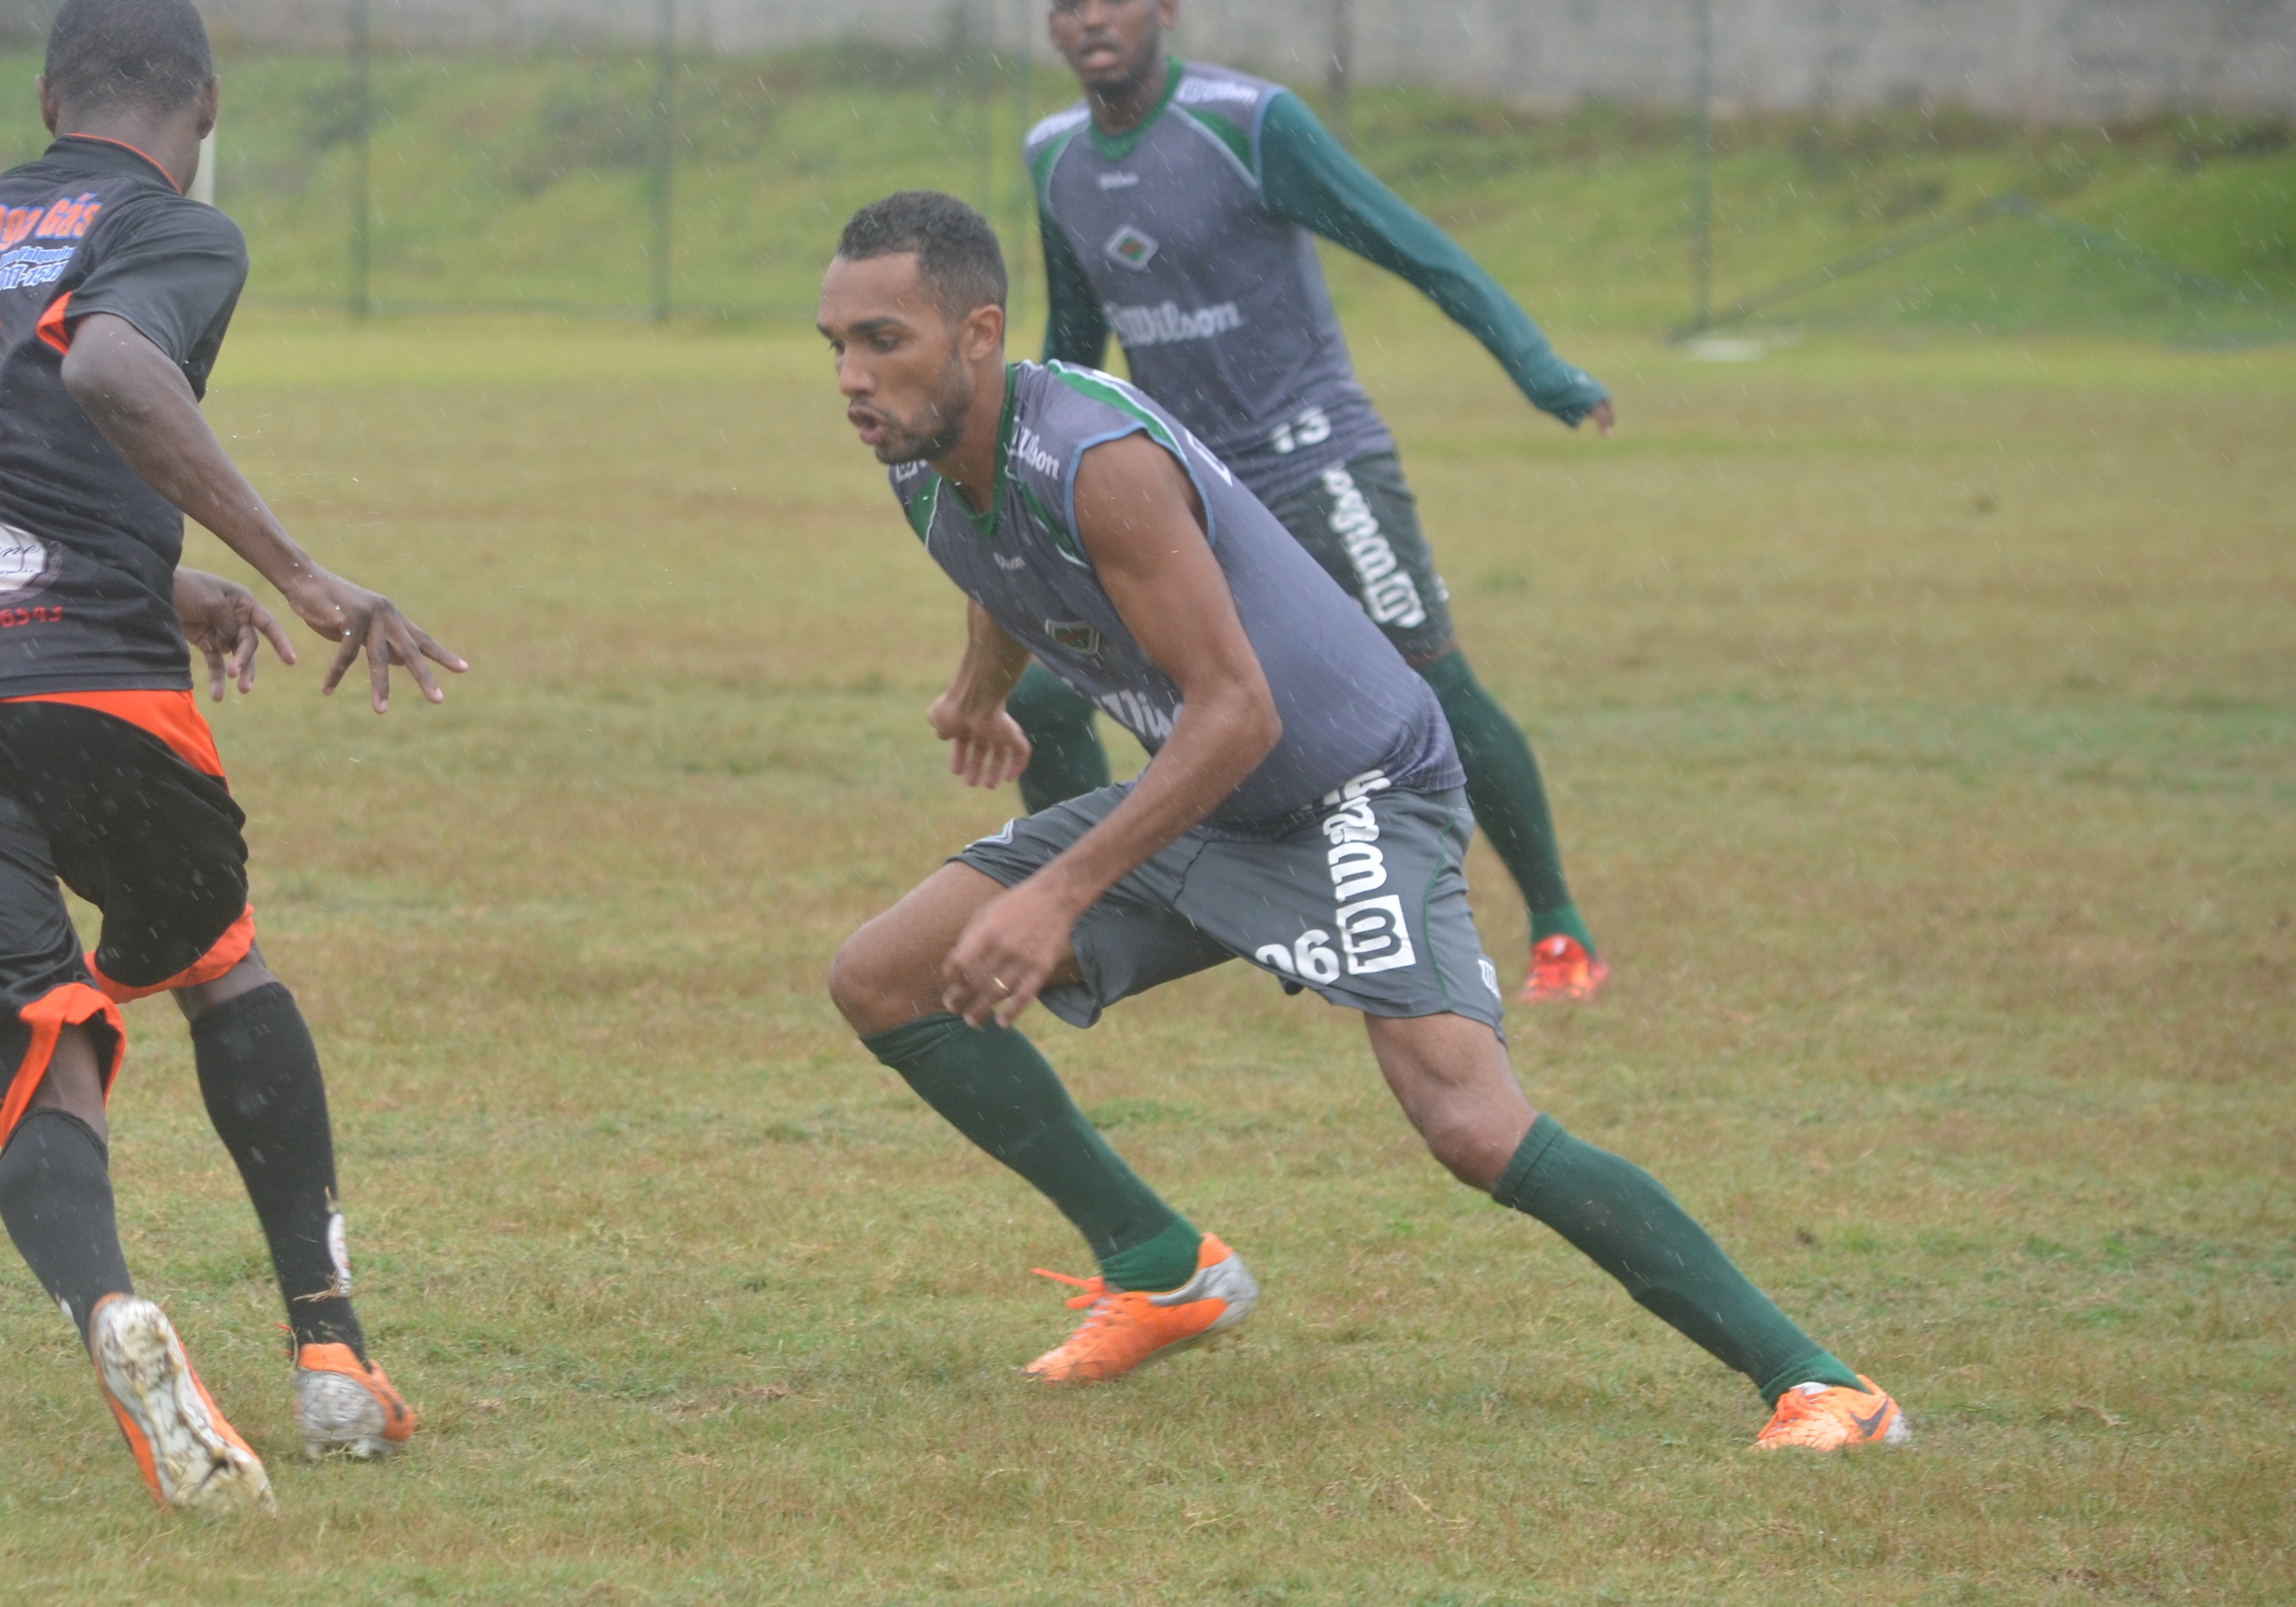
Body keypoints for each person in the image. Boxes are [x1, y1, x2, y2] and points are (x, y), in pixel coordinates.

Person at [815, 190, 1904, 1451]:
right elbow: (1002, 560)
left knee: (1469, 1124)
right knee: (881, 977)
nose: (850, 375)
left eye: (880, 339)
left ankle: (1825, 1383)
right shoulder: (922, 457)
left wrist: (1056, 889)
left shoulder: (1097, 460)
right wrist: (979, 689)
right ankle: (1160, 1263)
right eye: (833, 343)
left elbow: (1237, 713)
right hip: (1214, 792)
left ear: (977, 333)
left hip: (1352, 788)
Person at [0, 0, 468, 1513]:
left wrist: (170, 579)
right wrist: (300, 572)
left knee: (35, 1045)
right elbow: (110, 370)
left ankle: (112, 1308)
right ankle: (331, 1359)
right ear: (206, 110)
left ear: (47, 102)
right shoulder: (174, 224)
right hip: (86, 688)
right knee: (217, 959)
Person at [1024, 0, 1614, 1005]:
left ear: (1168, 7)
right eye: (1071, 2)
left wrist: (1539, 367)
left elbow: (1412, 246)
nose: (1093, 17)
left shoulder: (1252, 125)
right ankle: (1073, 924)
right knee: (1047, 692)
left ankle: (1560, 930)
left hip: (1314, 463)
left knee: (1432, 682)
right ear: (1051, 23)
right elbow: (1071, 341)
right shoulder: (1054, 157)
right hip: (1182, 488)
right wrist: (1032, 477)